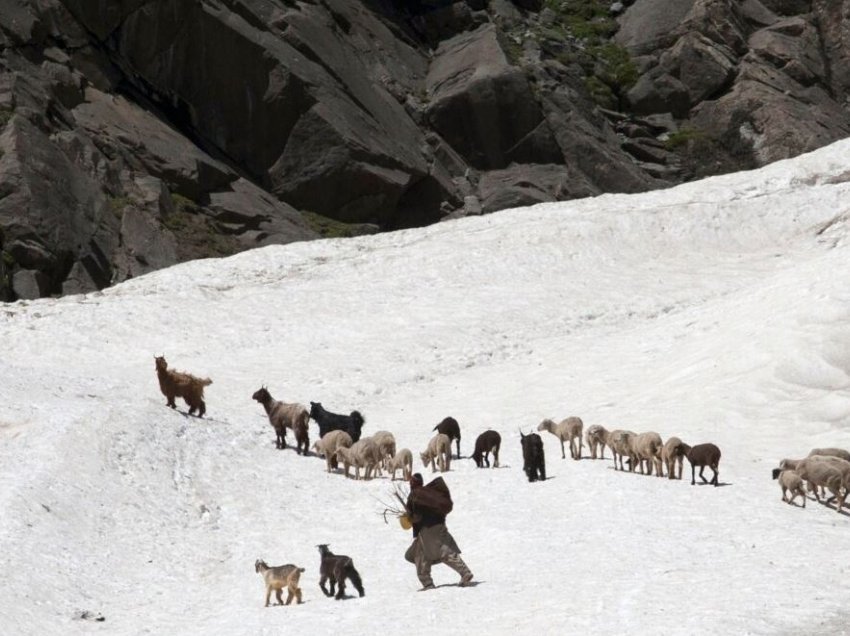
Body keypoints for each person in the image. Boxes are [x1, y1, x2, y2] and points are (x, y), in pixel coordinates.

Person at [404, 472, 473, 590]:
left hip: (428, 530)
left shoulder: (415, 495)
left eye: (411, 481)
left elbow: (416, 517)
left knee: (432, 553)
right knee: (426, 552)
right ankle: (430, 582)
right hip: (438, 527)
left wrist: (409, 516)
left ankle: (430, 583)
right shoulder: (428, 494)